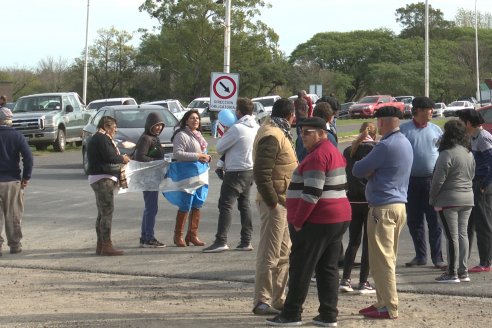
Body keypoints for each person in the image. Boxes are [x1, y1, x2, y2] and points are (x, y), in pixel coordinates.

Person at [266, 117, 351, 326]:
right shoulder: (332, 152)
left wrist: (298, 220)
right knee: (327, 267)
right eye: (301, 132)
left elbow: (312, 193)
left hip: (318, 220)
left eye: (308, 132)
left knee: (301, 268)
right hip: (337, 218)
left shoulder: (317, 157)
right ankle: (328, 314)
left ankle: (291, 314)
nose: (302, 137)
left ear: (322, 133)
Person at [353, 106, 413, 320]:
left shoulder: (385, 145)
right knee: (386, 258)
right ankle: (382, 302)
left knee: (382, 260)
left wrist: (372, 170)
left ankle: (389, 306)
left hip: (383, 207)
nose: (377, 125)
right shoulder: (405, 142)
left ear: (383, 122)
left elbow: (357, 169)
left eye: (378, 121)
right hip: (399, 206)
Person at [252, 98, 297, 316]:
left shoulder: (279, 132)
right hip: (275, 202)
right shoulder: (272, 135)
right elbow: (262, 173)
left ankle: (279, 299)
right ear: (291, 115)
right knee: (270, 254)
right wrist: (272, 201)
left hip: (283, 200)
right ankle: (262, 300)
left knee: (283, 253)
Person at [202, 98, 259, 253]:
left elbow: (220, 147)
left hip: (235, 171)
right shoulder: (256, 127)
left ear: (238, 111)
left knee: (226, 205)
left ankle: (221, 240)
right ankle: (246, 240)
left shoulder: (237, 128)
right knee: (244, 205)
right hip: (250, 169)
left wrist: (226, 133)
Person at [400, 96, 445, 269]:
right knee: (414, 220)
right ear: (417, 110)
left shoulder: (436, 130)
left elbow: (443, 153)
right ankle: (420, 256)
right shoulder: (404, 130)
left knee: (434, 221)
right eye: (429, 110)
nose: (432, 112)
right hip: (410, 182)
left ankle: (437, 258)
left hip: (431, 181)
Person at [429, 119, 475, 283]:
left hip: (449, 199)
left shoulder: (447, 153)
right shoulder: (468, 152)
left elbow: (437, 180)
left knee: (452, 236)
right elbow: (472, 174)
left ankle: (452, 272)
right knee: (463, 235)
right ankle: (463, 271)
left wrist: (432, 198)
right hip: (468, 197)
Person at [339, 122, 377, 294]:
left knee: (353, 241)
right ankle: (363, 282)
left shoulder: (348, 151)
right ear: (374, 135)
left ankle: (345, 279)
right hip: (368, 200)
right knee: (368, 243)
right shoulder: (375, 150)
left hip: (352, 200)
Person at [87, 116, 130, 256]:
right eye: (114, 128)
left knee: (102, 213)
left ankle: (101, 245)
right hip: (103, 178)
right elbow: (110, 157)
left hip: (99, 177)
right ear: (106, 126)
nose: (115, 131)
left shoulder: (98, 138)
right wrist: (122, 158)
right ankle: (106, 245)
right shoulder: (101, 138)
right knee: (107, 212)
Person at [168, 110, 211, 247]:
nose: (195, 120)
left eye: (197, 118)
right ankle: (178, 236)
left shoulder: (198, 135)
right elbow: (178, 154)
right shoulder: (181, 135)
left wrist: (207, 157)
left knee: (198, 203)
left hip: (200, 173)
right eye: (192, 118)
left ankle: (192, 235)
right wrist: (198, 156)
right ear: (186, 120)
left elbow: (202, 152)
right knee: (186, 203)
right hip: (187, 175)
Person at [457, 109, 492, 273]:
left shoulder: (484, 138)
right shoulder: (473, 137)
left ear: (469, 123)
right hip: (473, 183)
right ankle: (462, 260)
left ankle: (486, 261)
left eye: (461, 122)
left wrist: (484, 184)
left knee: (483, 223)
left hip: (482, 186)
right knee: (468, 223)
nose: (460, 125)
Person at [0, 107, 33, 255]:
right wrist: (26, 177)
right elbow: (28, 158)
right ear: (9, 121)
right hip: (12, 181)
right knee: (13, 214)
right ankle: (15, 245)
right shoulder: (17, 136)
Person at [133, 112, 166, 248]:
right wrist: (156, 162)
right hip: (148, 178)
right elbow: (140, 157)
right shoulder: (146, 138)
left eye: (160, 125)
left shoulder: (154, 138)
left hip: (153, 177)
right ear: (149, 125)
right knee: (151, 208)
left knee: (150, 208)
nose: (158, 128)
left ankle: (145, 237)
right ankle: (148, 238)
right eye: (156, 125)